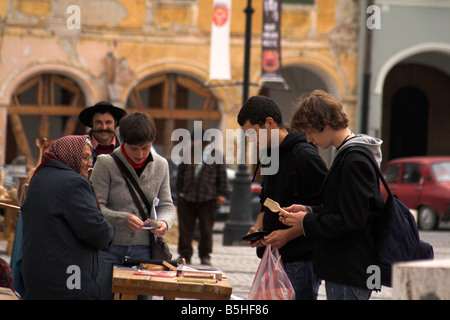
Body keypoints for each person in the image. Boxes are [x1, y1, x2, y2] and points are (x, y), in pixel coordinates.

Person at [279, 90, 385, 300]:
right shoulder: (348, 154)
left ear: (324, 124)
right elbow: (344, 208)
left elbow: (352, 221)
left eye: (310, 132)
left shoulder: (353, 159)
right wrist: (308, 210)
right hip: (346, 267)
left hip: (350, 268)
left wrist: (307, 221)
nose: (308, 139)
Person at [237, 95, 328, 300]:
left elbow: (325, 209)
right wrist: (259, 227)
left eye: (252, 133)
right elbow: (266, 199)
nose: (251, 139)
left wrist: (287, 235)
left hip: (301, 261)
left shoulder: (305, 155)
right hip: (275, 256)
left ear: (269, 123)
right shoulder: (269, 154)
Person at [90, 112, 175, 299]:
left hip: (145, 251)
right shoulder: (106, 163)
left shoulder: (161, 165)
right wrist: (122, 218)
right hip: (109, 249)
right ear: (123, 142)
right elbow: (95, 207)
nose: (140, 154)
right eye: (134, 148)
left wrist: (164, 223)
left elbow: (167, 205)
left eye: (145, 148)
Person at [21, 135, 114, 300]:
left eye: (90, 157)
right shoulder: (74, 183)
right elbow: (98, 233)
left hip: (40, 278)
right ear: (70, 155)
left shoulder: (40, 177)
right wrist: (109, 228)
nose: (90, 163)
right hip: (69, 281)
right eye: (84, 157)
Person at [175, 131, 228, 266]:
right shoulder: (187, 154)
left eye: (195, 141)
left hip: (208, 198)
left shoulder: (215, 155)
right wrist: (179, 193)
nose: (193, 144)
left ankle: (205, 255)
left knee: (206, 229)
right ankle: (184, 255)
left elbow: (222, 176)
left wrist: (222, 194)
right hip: (187, 197)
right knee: (185, 229)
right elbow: (180, 175)